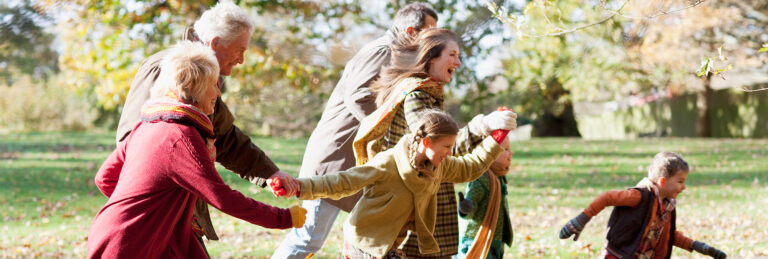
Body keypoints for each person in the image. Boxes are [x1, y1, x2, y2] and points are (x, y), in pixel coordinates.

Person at [87, 41, 307, 258]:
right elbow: (222, 197)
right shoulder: (181, 137)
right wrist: (283, 218)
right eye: (213, 84)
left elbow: (104, 178)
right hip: (128, 245)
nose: (218, 93)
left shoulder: (147, 125)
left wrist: (162, 213)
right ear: (193, 87)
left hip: (131, 236)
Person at [113, 1, 299, 245]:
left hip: (179, 210)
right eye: (239, 50)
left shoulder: (204, 77)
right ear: (215, 44)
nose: (242, 59)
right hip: (153, 210)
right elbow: (134, 139)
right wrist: (144, 205)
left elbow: (225, 137)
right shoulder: (169, 69)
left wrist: (270, 172)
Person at [271, 3, 438, 258]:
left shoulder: (397, 54)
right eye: (429, 31)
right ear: (410, 30)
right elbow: (358, 96)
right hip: (334, 157)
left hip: (351, 162)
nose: (433, 39)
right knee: (308, 239)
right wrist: (389, 132)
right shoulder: (383, 51)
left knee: (361, 239)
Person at [353, 28, 518, 258]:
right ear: (431, 57)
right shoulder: (416, 95)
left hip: (419, 201)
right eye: (452, 55)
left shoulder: (427, 93)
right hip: (413, 208)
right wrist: (484, 125)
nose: (458, 62)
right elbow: (440, 146)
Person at [283, 110, 506, 258]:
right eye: (447, 146)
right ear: (427, 142)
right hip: (364, 244)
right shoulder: (388, 163)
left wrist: (496, 139)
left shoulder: (439, 166)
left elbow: (470, 167)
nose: (450, 152)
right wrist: (300, 186)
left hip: (389, 247)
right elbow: (343, 182)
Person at [559, 152, 727, 259]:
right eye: (680, 181)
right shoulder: (639, 196)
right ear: (662, 181)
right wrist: (581, 219)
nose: (684, 187)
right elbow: (608, 197)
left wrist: (697, 246)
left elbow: (666, 235)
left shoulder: (666, 206)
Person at [456, 137, 514, 259]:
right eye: (505, 149)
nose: (511, 152)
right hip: (477, 239)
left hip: (494, 237)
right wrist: (465, 208)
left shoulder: (498, 177)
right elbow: (472, 203)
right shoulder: (481, 177)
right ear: (489, 154)